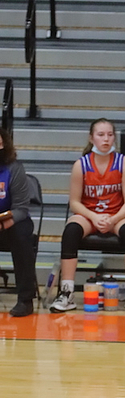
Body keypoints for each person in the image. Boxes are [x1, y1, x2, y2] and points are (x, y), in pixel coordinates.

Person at [50, 118, 125, 314]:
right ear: (91, 138)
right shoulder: (81, 165)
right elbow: (74, 202)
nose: (106, 139)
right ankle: (67, 292)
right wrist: (94, 217)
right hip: (89, 216)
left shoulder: (123, 163)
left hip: (116, 216)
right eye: (101, 135)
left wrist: (113, 219)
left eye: (110, 135)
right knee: (70, 231)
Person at [0, 128, 36, 317]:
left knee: (21, 234)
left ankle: (25, 299)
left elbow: (21, 208)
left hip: (9, 224)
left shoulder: (14, 168)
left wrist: (2, 224)